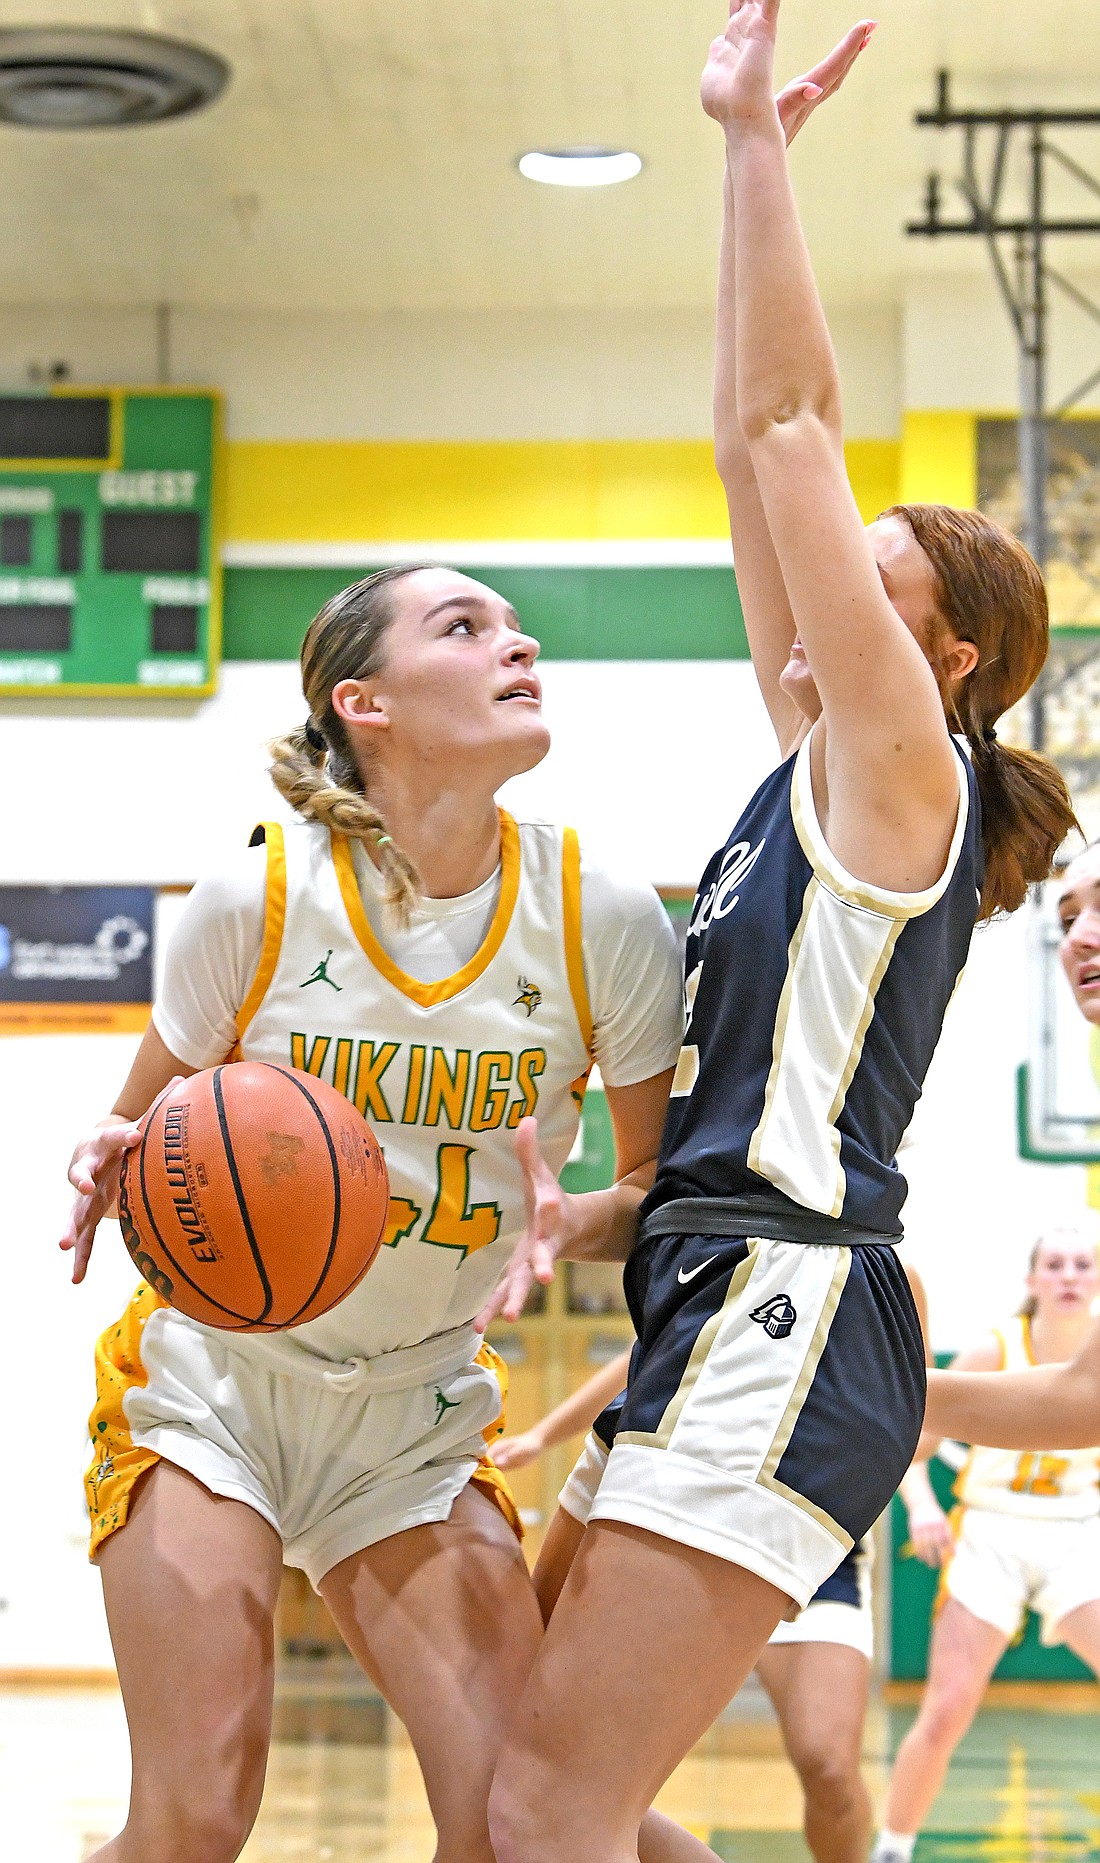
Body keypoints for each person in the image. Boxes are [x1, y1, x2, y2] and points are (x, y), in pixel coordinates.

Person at [483, 7, 1078, 1861]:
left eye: (869, 574)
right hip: (712, 1287)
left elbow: (791, 427)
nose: (817, 577)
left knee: (540, 1805)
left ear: (944, 657)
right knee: (512, 1772)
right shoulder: (814, 761)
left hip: (793, 1300)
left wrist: (752, 145)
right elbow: (756, 461)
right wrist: (607, 1206)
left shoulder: (910, 771)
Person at [61, 563, 686, 1863]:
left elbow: (654, 1194)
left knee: (520, 1821)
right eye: (463, 626)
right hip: (216, 1387)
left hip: (416, 1413)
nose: (515, 640)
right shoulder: (260, 898)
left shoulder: (601, 918)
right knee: (193, 1819)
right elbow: (142, 1135)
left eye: (516, 623)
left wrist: (579, 1223)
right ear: (365, 701)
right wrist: (106, 1160)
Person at [496, 1255, 930, 1863]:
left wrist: (911, 1490)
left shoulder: (887, 1275)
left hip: (807, 1535)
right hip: (682, 1511)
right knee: (561, 1763)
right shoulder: (723, 1226)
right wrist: (543, 1435)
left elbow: (917, 1408)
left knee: (827, 1763)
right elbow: (647, 1352)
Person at [873, 1228, 1100, 1863]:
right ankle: (892, 1848)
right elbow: (907, 1449)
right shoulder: (995, 1351)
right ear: (1032, 1282)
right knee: (947, 1710)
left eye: (1082, 1265)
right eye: (1054, 1265)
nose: (1069, 1276)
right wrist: (921, 1509)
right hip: (991, 1533)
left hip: (1080, 1535)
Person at [924, 841, 1100, 1454]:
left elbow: (1086, 1404)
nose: (1078, 938)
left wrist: (863, 1385)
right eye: (1067, 919)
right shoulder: (998, 1348)